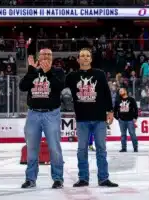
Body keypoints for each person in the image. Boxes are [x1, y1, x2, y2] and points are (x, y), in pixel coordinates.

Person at [65, 48, 118, 187]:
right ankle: (83, 178)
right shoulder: (72, 76)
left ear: (91, 59)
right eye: (82, 56)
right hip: (82, 118)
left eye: (88, 55)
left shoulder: (99, 74)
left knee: (101, 149)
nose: (85, 58)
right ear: (78, 59)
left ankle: (103, 178)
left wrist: (110, 111)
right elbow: (58, 86)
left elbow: (106, 93)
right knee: (82, 150)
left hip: (99, 118)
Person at [19, 48, 65, 189]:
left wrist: (48, 72)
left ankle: (58, 178)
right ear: (39, 56)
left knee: (54, 148)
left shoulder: (58, 72)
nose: (46, 57)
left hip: (52, 113)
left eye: (49, 55)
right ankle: (30, 179)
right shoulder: (33, 71)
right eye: (43, 54)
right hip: (33, 114)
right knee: (32, 148)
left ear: (52, 57)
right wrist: (31, 70)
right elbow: (22, 87)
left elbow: (59, 87)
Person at [114, 87, 138, 152]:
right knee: (123, 135)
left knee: (132, 134)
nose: (120, 92)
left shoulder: (131, 99)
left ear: (125, 91)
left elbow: (135, 109)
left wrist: (135, 117)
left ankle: (135, 148)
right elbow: (115, 110)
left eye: (121, 91)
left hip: (130, 120)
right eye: (119, 91)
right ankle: (124, 148)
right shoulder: (118, 100)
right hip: (121, 120)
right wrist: (117, 118)